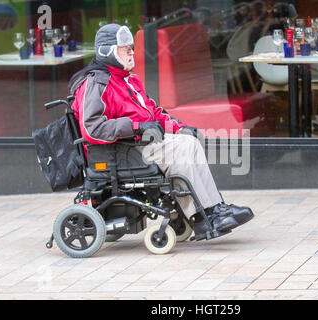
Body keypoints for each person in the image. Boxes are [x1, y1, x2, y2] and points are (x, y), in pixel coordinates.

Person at [68, 24, 254, 239]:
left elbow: (152, 113)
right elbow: (92, 129)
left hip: (138, 143)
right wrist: (135, 127)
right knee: (181, 149)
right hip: (121, 151)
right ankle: (201, 217)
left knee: (189, 140)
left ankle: (213, 208)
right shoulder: (95, 82)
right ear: (107, 51)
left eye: (131, 47)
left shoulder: (127, 79)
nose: (131, 52)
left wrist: (178, 127)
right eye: (124, 48)